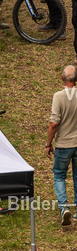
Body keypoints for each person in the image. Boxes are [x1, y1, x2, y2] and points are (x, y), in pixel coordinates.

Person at [48, 65, 77, 225]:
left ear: (62, 78)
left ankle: (64, 207)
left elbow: (54, 124)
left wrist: (48, 144)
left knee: (59, 175)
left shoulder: (58, 96)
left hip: (64, 144)